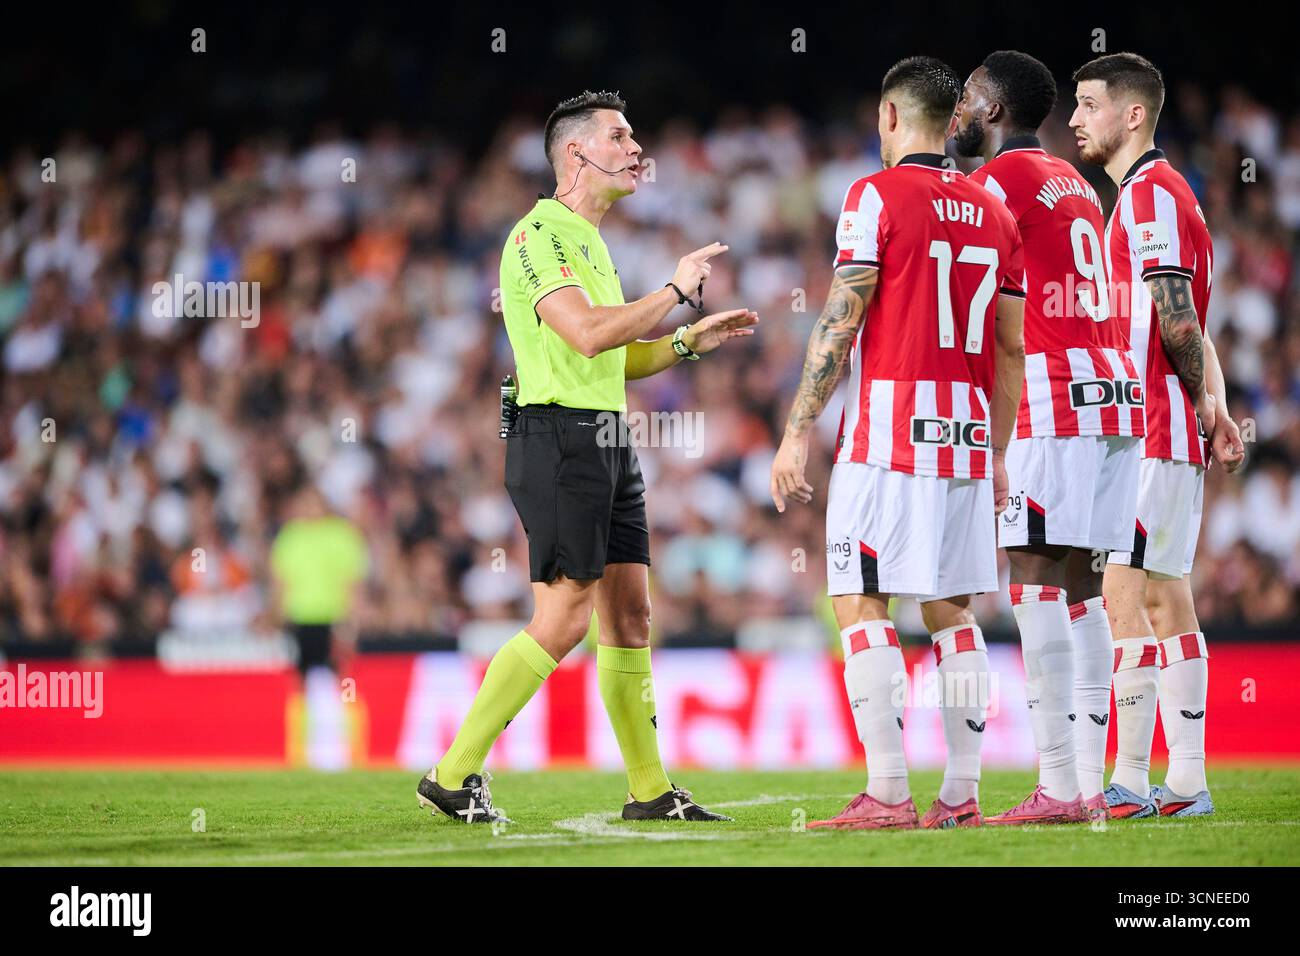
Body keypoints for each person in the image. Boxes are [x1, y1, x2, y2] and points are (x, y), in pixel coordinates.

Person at [417, 90, 758, 824]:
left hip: (606, 437)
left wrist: (686, 340)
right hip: (559, 439)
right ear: (576, 153)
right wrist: (672, 291)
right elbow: (585, 334)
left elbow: (617, 360)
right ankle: (453, 770)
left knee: (630, 615)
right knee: (567, 615)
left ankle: (648, 792)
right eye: (620, 134)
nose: (637, 148)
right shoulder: (536, 235)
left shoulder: (592, 243)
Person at [771, 57, 1026, 830]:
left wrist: (795, 433)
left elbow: (841, 321)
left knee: (858, 598)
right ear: (954, 122)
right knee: (951, 611)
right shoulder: (995, 210)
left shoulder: (872, 195)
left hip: (888, 436)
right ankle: (961, 792)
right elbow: (1011, 352)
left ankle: (886, 790)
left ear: (889, 117)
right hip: (966, 435)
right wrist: (998, 455)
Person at [954, 50, 1141, 824]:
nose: (959, 109)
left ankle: (1060, 785)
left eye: (966, 96)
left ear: (994, 109)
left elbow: (976, 309)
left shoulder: (995, 184)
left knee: (1032, 578)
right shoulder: (1075, 179)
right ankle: (1086, 783)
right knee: (1084, 590)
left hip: (1051, 396)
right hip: (1111, 398)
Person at [1071, 52, 1244, 818]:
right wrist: (1217, 405)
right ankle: (1188, 783)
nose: (1075, 120)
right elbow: (1196, 329)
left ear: (1132, 114)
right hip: (1169, 431)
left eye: (1087, 104)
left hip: (1145, 431)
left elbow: (1175, 315)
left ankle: (1133, 781)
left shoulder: (1146, 198)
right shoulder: (1173, 197)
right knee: (1170, 602)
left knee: (1124, 600)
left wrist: (1207, 410)